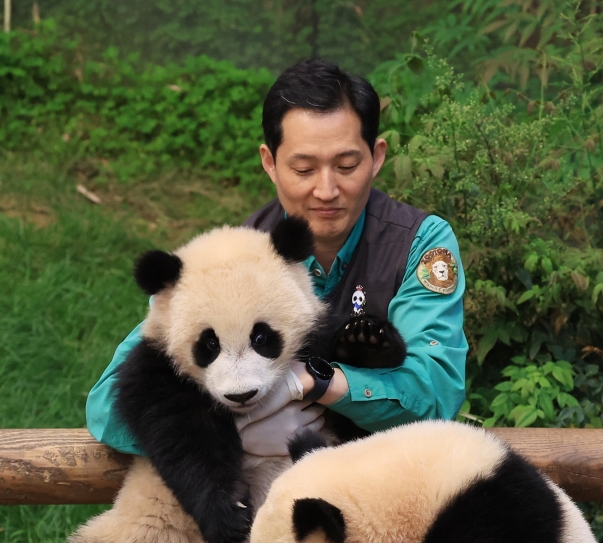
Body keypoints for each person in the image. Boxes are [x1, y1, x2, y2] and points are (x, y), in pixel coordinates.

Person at [86, 59, 468, 456]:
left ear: (376, 157)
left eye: (347, 165)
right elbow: (107, 410)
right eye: (304, 169)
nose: (326, 190)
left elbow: (434, 396)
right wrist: (232, 432)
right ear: (270, 163)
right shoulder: (231, 257)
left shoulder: (420, 243)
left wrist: (314, 382)